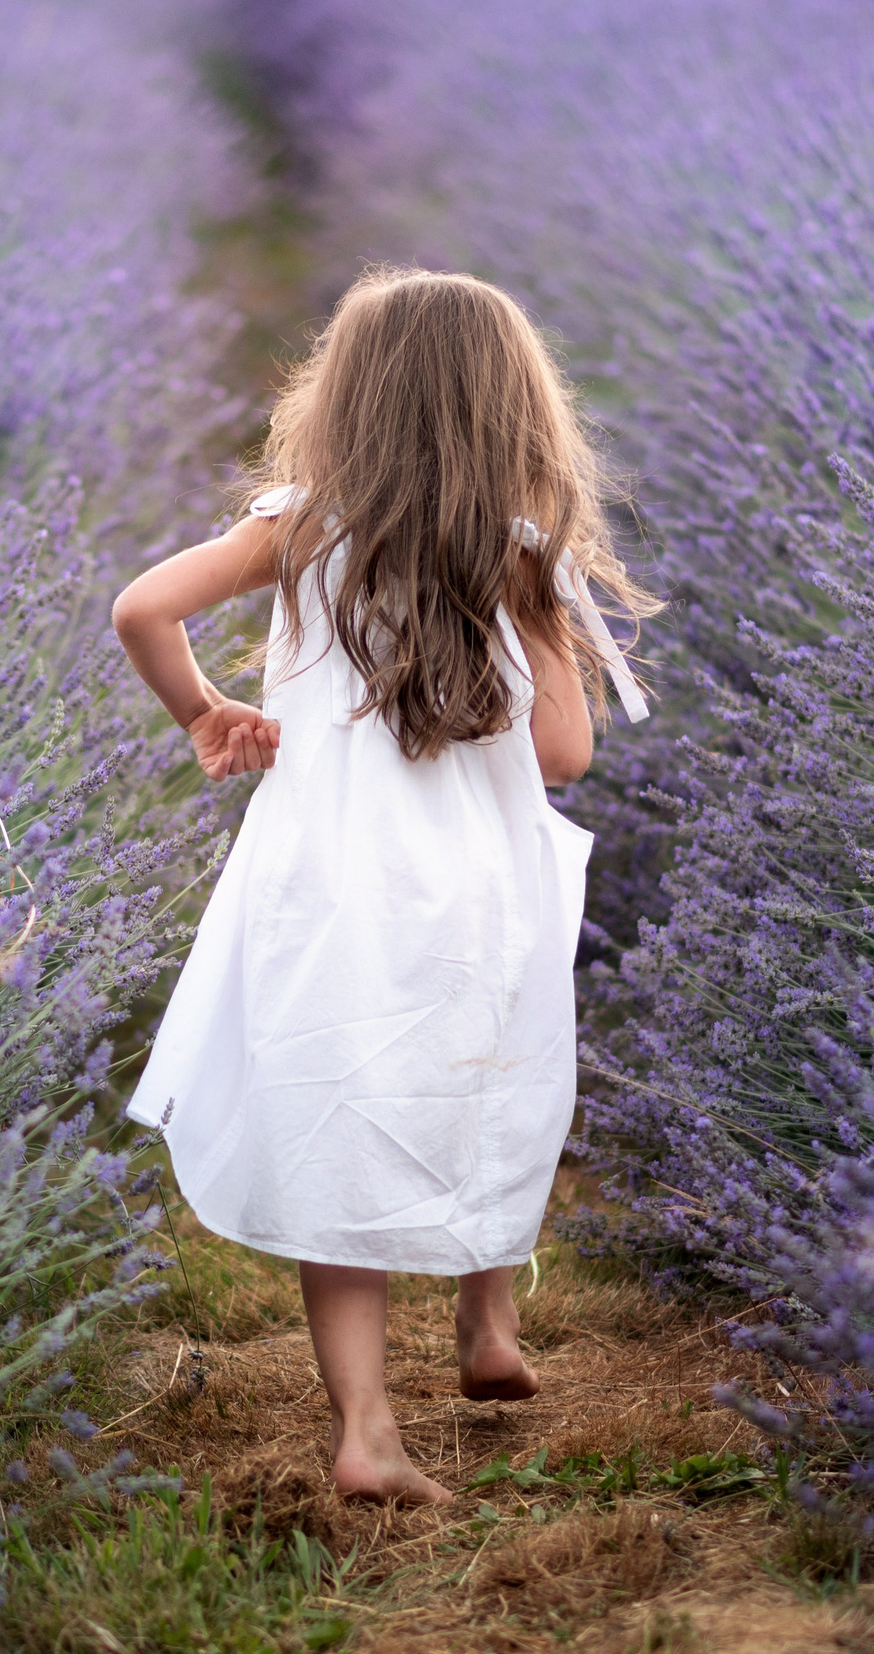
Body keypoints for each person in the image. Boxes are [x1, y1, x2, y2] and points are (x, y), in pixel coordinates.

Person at [111, 267, 656, 1505]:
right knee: (492, 1081)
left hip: (326, 883)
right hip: (478, 884)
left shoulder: (299, 525)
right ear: (515, 408)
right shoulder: (523, 557)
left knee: (336, 1120)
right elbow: (564, 756)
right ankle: (488, 1328)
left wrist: (207, 708)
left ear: (342, 397)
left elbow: (142, 605)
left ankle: (365, 1429)